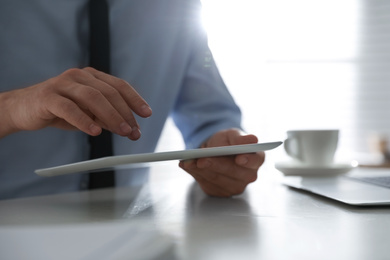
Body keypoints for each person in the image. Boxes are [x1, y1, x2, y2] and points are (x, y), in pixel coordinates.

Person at [0, 0, 265, 200]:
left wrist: (224, 154)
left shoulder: (178, 8)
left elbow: (211, 117)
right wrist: (9, 109)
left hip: (135, 224)